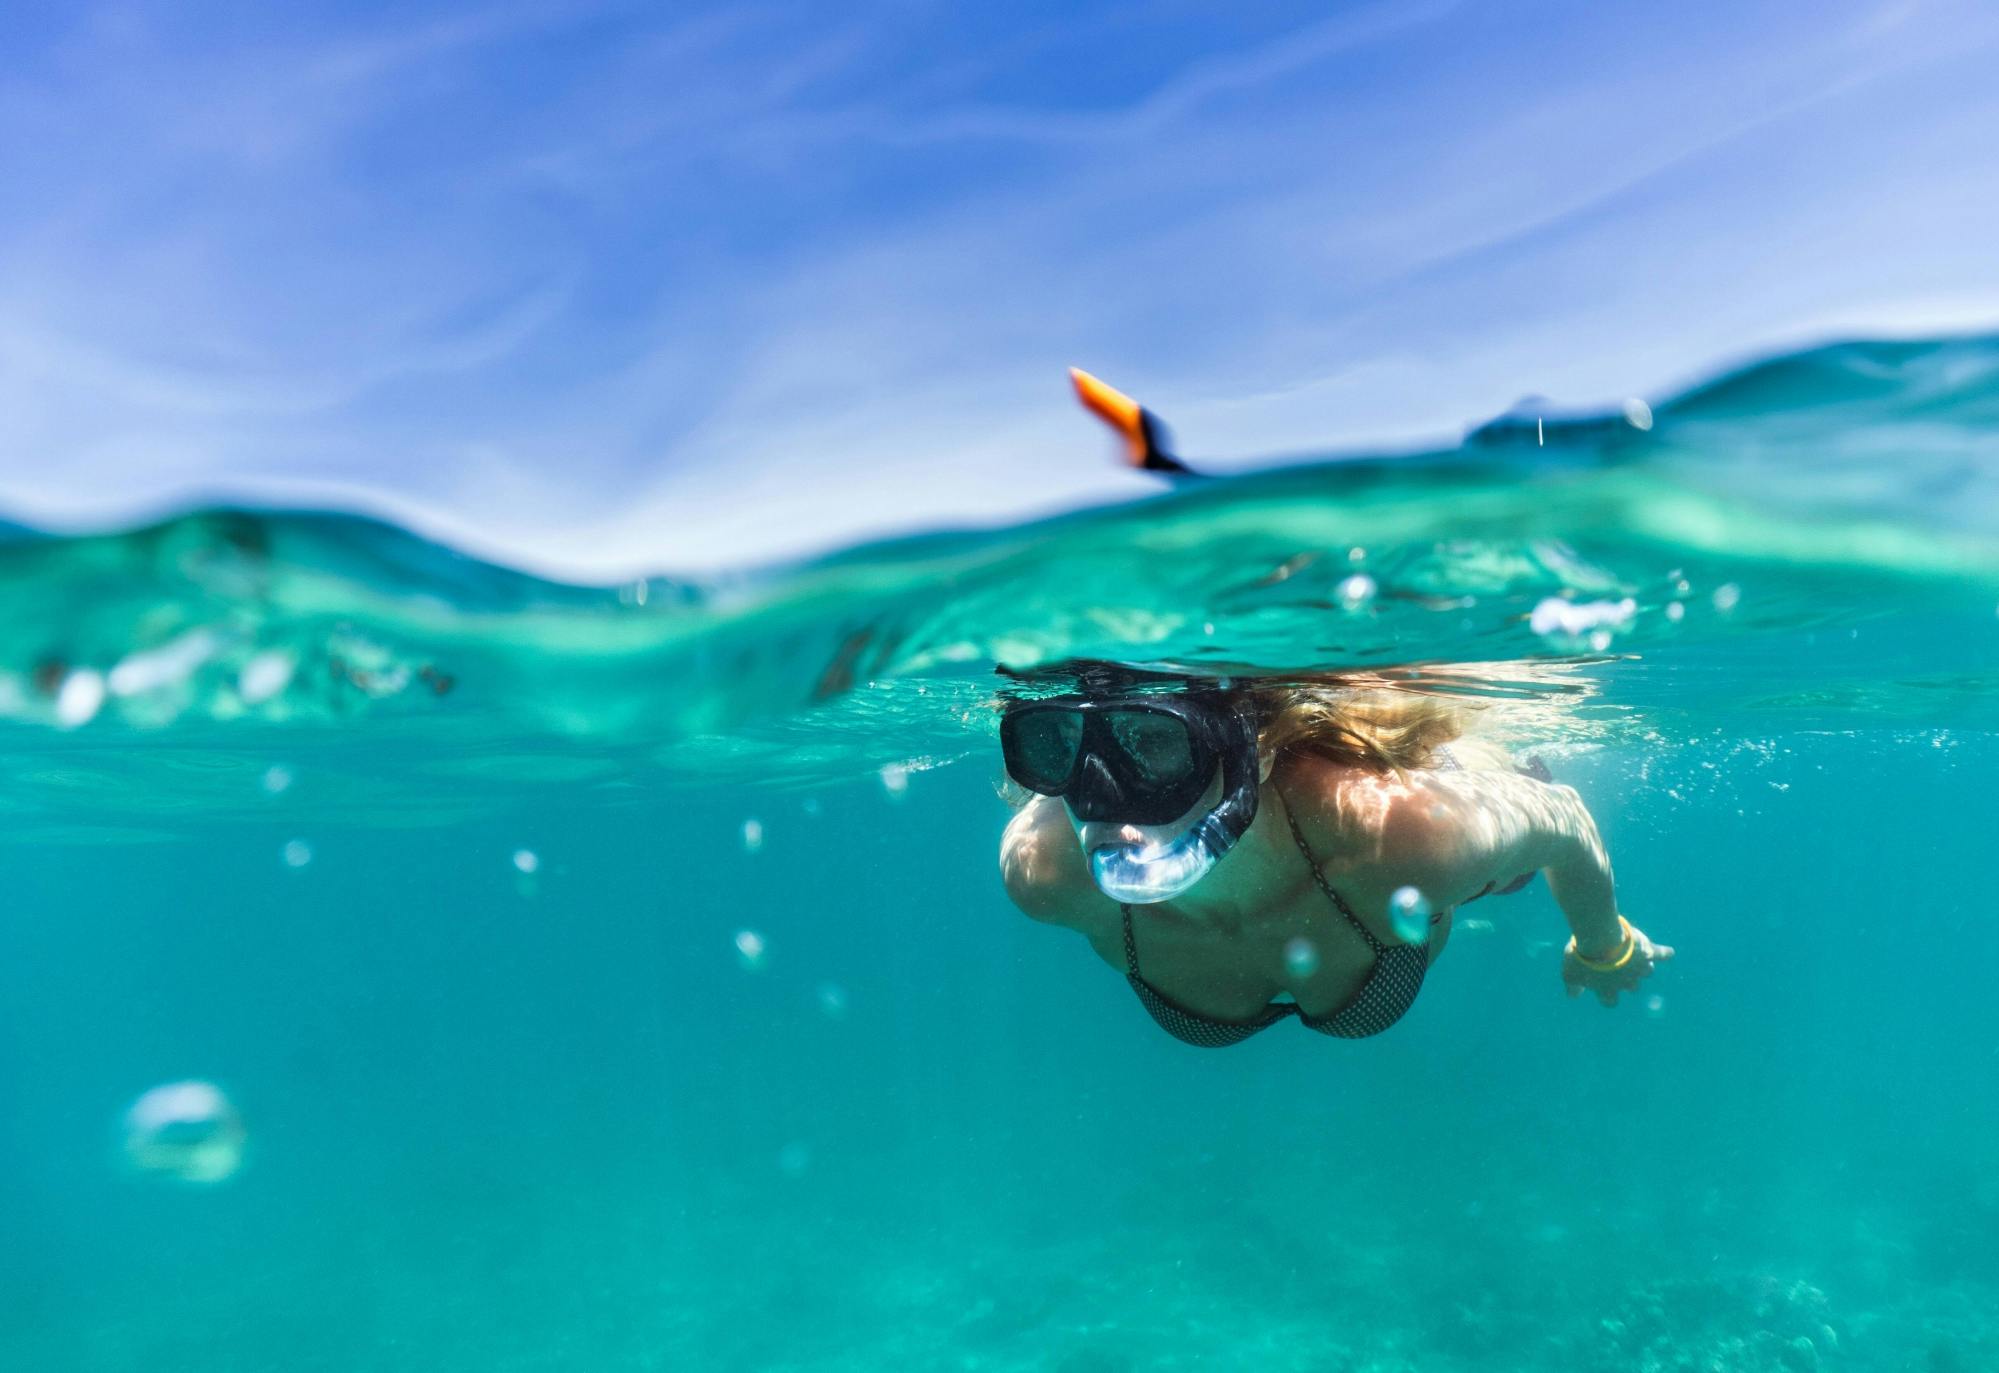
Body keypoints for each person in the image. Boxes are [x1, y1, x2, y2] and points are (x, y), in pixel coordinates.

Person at [998, 663, 1671, 1046]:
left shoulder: (1401, 835)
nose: (1100, 795)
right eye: (1055, 748)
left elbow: (1568, 818)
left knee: (1501, 863)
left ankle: (1500, 766)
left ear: (1252, 751)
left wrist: (1601, 944)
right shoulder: (1044, 872)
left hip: (1410, 802)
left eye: (1153, 744)